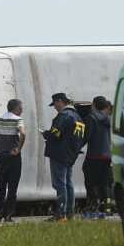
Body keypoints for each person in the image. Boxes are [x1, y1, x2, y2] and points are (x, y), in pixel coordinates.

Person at [42, 92, 85, 222]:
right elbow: (80, 138)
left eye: (55, 104)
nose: (55, 107)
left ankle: (61, 214)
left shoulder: (63, 116)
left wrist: (46, 134)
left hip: (59, 154)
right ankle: (69, 213)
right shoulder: (78, 117)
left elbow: (55, 134)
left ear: (60, 101)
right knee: (68, 184)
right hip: (71, 155)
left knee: (60, 184)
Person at [82, 96, 113, 214]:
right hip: (106, 156)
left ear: (94, 105)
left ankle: (92, 204)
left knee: (90, 181)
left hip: (94, 155)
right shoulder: (108, 119)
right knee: (104, 182)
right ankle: (107, 207)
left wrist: (75, 147)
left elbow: (87, 136)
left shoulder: (91, 118)